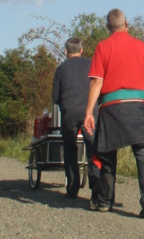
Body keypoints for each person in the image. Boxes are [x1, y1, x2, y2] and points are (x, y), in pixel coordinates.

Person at [83, 9, 144, 218]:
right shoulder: (141, 46)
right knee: (143, 150)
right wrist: (141, 101)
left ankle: (105, 201)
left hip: (111, 105)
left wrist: (89, 112)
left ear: (108, 27)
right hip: (138, 104)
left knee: (106, 151)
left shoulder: (103, 47)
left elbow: (97, 82)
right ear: (127, 24)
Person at [52, 36, 98, 199]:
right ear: (81, 50)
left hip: (69, 113)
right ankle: (96, 188)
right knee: (93, 148)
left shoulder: (61, 69)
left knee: (70, 148)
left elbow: (55, 97)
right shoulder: (92, 64)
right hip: (90, 112)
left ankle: (72, 188)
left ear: (66, 51)